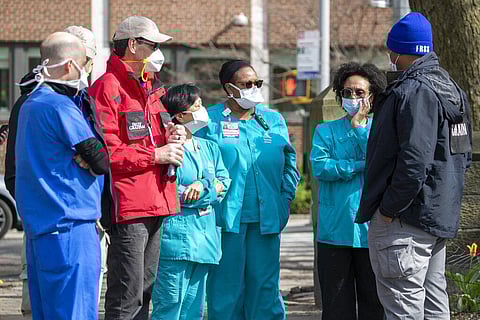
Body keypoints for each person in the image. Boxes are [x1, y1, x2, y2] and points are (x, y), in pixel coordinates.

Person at [356, 12, 472, 320]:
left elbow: (414, 161)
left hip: (404, 220)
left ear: (396, 50)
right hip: (436, 217)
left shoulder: (413, 91)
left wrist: (388, 210)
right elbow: (461, 155)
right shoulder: (451, 89)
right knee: (435, 305)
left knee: (402, 307)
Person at [5, 25, 108, 319]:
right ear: (72, 65)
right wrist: (89, 157)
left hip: (41, 227)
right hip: (71, 227)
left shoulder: (28, 104)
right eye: (87, 63)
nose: (87, 70)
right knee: (74, 311)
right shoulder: (60, 106)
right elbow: (100, 159)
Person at [89, 16, 186, 320]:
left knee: (145, 290)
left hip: (157, 200)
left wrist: (173, 135)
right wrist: (155, 156)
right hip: (129, 204)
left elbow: (151, 139)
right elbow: (108, 153)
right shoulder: (107, 87)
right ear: (132, 45)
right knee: (127, 292)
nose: (159, 52)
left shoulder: (151, 88)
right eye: (153, 45)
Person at [196, 60, 300, 320]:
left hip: (266, 220)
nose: (254, 88)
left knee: (265, 288)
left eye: (257, 83)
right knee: (226, 289)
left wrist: (285, 198)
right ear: (228, 88)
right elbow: (197, 163)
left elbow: (290, 164)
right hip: (225, 221)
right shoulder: (208, 121)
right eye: (246, 84)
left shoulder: (273, 120)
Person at [310, 62, 386, 320]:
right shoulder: (325, 131)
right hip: (335, 230)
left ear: (372, 95)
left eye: (359, 92)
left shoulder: (381, 129)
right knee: (336, 305)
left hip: (371, 230)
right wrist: (357, 165)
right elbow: (321, 168)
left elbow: (380, 163)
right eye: (347, 92)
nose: (353, 97)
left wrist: (358, 130)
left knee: (374, 303)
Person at [151, 84, 231, 320]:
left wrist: (204, 187)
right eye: (197, 106)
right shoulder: (165, 149)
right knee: (170, 306)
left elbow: (223, 182)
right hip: (176, 241)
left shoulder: (208, 147)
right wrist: (204, 190)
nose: (203, 110)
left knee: (193, 310)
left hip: (205, 240)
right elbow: (170, 190)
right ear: (180, 115)